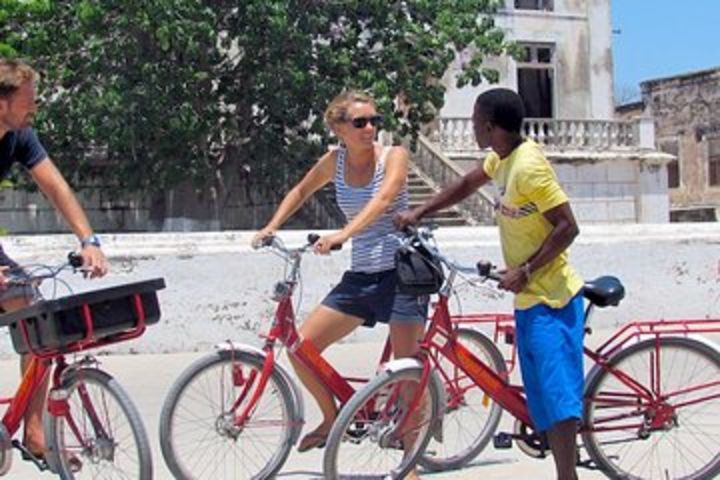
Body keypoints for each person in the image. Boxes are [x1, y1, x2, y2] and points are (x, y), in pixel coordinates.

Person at [395, 88, 584, 480]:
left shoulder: (529, 166)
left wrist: (526, 270)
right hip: (529, 298)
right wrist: (420, 210)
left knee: (557, 399)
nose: (473, 127)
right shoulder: (502, 157)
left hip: (551, 297)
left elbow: (568, 227)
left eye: (477, 120)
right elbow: (466, 184)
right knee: (541, 399)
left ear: (490, 126)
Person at [252, 91, 427, 472]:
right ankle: (332, 417)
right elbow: (301, 190)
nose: (370, 129)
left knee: (406, 370)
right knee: (302, 347)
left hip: (403, 273)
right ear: (338, 128)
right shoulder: (335, 161)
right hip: (362, 273)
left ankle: (410, 463)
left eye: (374, 121)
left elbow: (383, 200)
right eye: (360, 122)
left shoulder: (393, 156)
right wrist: (271, 226)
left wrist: (343, 234)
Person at [0, 58, 108, 460]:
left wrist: (89, 240)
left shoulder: (20, 136)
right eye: (29, 101)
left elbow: (57, 188)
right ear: (2, 104)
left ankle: (33, 431)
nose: (35, 108)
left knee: (33, 315)